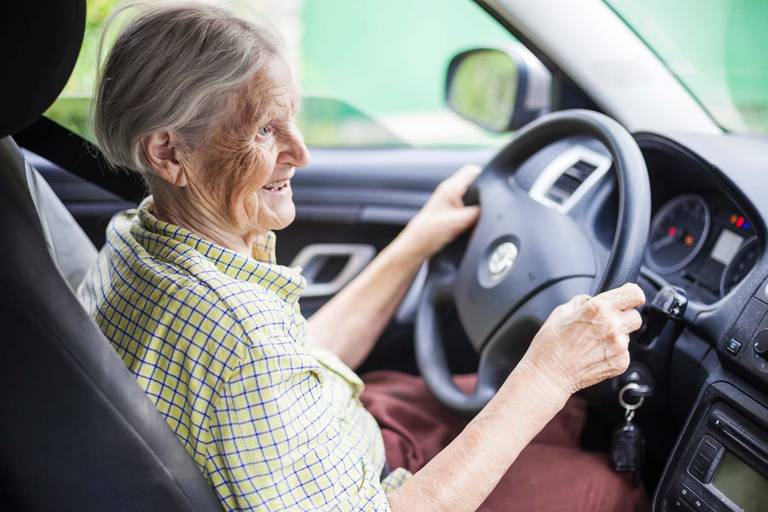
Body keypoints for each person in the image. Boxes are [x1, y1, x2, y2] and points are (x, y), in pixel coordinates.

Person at [78, 2, 648, 511]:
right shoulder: (239, 335)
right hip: (376, 484)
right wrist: (548, 371)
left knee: (567, 414)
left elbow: (290, 362)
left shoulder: (137, 236)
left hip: (342, 433)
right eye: (264, 130)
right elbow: (254, 359)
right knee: (606, 482)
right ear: (169, 152)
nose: (301, 152)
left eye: (292, 117)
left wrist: (415, 243)